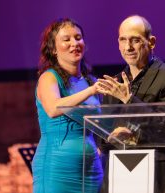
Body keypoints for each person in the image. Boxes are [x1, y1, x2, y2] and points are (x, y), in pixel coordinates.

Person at [96, 15, 165, 193]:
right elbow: (101, 135)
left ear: (151, 42)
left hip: (154, 171)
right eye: (123, 40)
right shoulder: (115, 83)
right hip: (117, 172)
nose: (128, 47)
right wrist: (109, 137)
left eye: (135, 40)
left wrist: (129, 101)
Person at [32, 18, 103, 193]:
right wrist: (90, 91)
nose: (74, 43)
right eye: (67, 39)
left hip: (91, 170)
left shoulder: (89, 81)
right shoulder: (49, 77)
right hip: (57, 168)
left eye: (78, 37)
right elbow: (54, 108)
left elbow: (99, 124)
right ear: (54, 49)